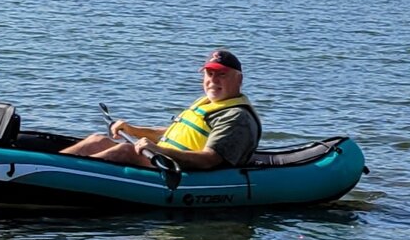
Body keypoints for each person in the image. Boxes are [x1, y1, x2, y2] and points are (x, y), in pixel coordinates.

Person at [62, 50, 262, 170]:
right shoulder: (207, 103)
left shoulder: (236, 116)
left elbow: (209, 160)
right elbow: (174, 135)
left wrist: (156, 149)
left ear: (238, 79)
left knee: (125, 151)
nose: (213, 81)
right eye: (209, 74)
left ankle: (59, 178)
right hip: (165, 159)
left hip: (181, 172)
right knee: (97, 140)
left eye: (221, 75)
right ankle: (48, 168)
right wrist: (133, 130)